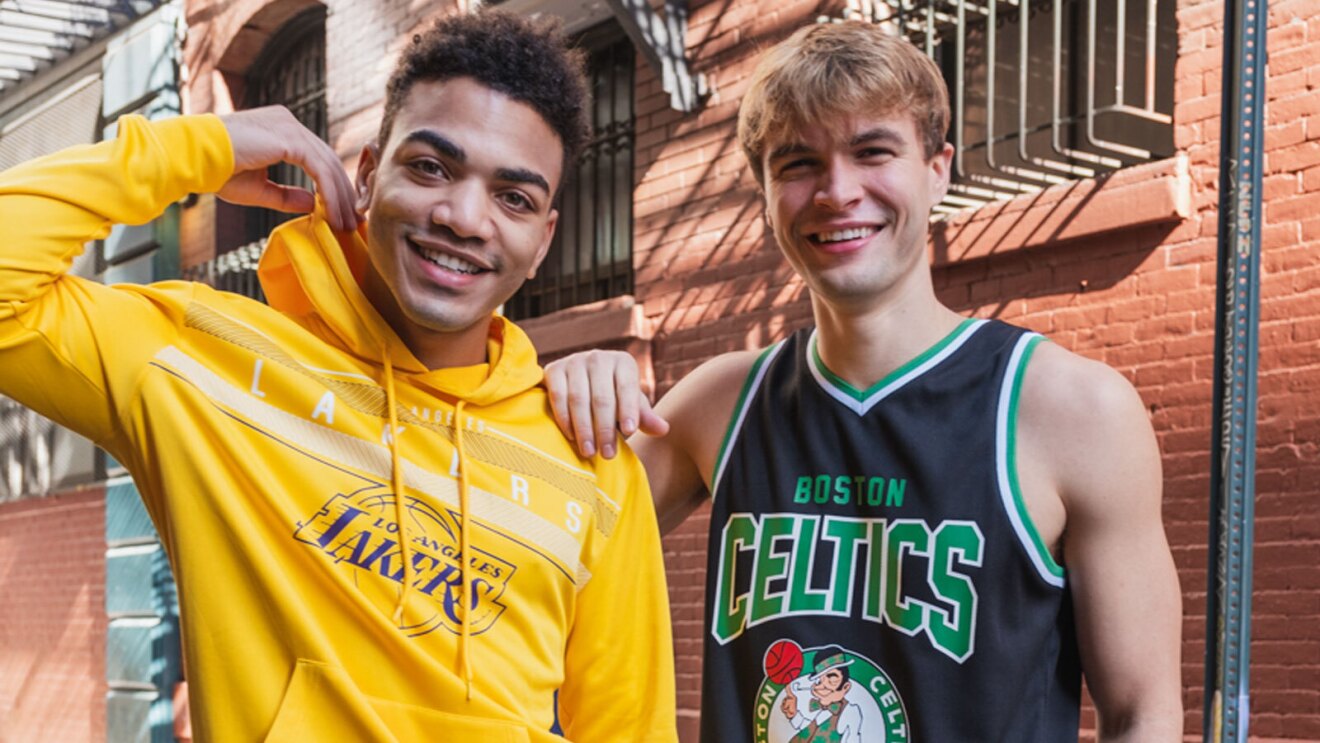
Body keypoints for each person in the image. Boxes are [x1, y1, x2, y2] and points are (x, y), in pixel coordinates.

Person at [0, 10, 676, 742]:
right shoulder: (202, 366)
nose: (463, 216)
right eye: (430, 167)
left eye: (513, 197)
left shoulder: (592, 459)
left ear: (543, 239)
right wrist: (195, 148)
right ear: (366, 175)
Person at [544, 20, 1183, 742]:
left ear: (938, 167)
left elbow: (1144, 715)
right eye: (797, 164)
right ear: (764, 191)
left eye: (872, 151)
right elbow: (536, 565)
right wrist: (558, 392)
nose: (836, 192)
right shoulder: (718, 405)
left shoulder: (1073, 410)